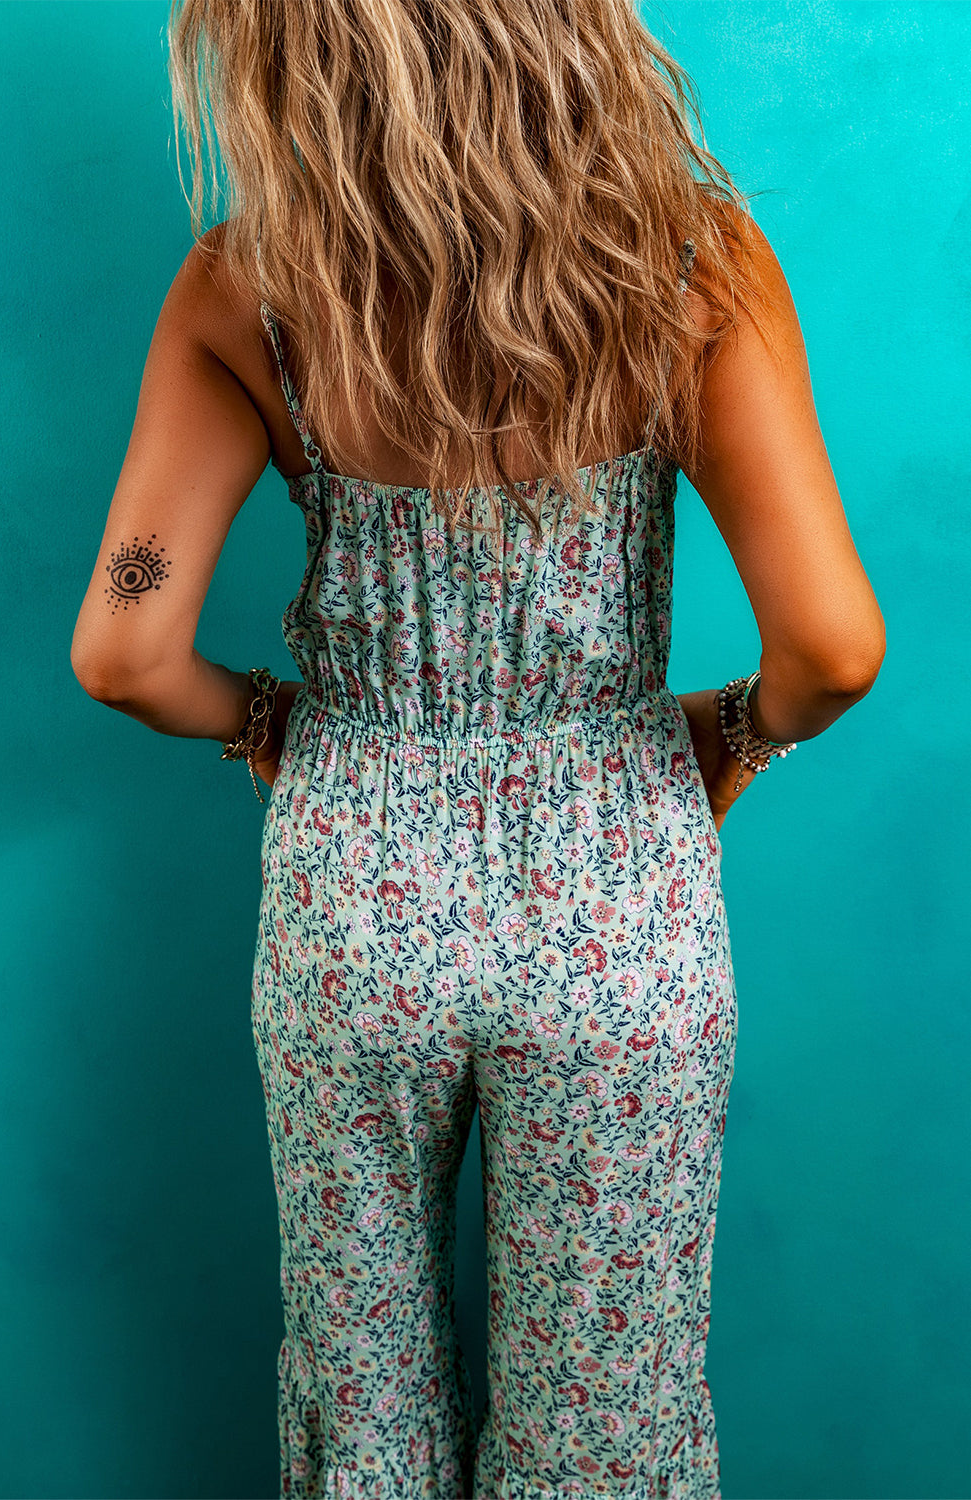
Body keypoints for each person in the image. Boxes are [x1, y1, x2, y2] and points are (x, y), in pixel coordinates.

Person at [70, 0, 886, 1494]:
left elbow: (123, 651)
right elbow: (833, 648)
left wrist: (270, 722)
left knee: (364, 1405)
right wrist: (723, 738)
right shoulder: (691, 262)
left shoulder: (246, 288)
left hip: (351, 897)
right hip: (616, 894)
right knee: (604, 1423)